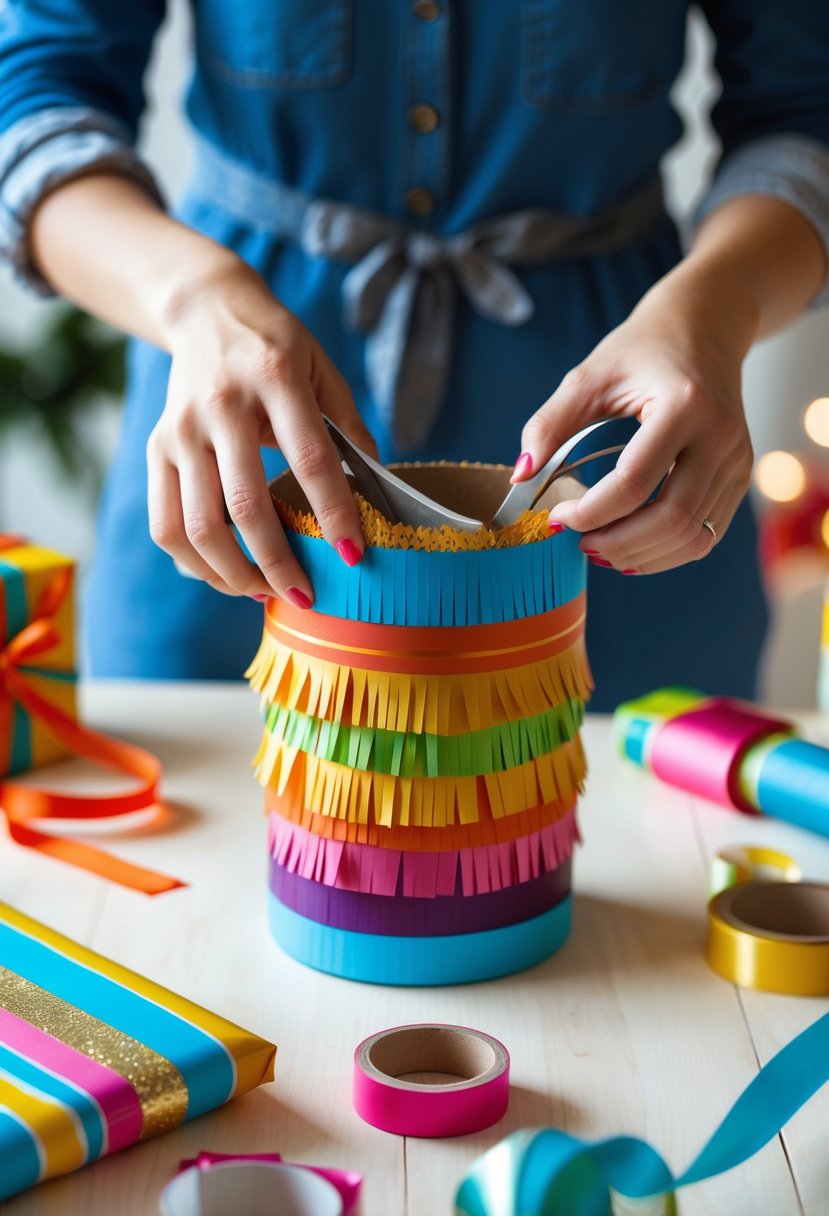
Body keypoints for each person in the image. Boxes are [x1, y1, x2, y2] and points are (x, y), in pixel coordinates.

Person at [1, 2, 827, 711]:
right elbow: (34, 100)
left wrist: (714, 312)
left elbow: (801, 119)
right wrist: (191, 296)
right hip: (238, 458)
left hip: (627, 477)